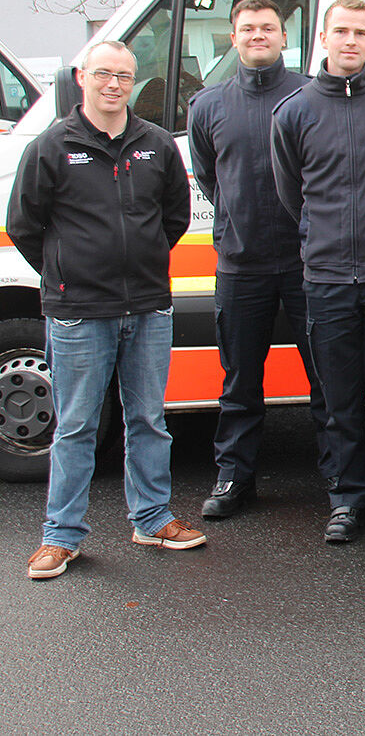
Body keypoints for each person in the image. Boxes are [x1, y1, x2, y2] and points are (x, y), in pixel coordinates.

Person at [11, 39, 201, 580]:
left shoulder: (157, 145)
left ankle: (153, 517)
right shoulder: (51, 147)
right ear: (81, 77)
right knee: (75, 425)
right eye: (104, 74)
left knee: (148, 419)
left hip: (147, 307)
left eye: (123, 75)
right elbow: (26, 225)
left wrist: (138, 265)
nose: (114, 84)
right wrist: (66, 272)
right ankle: (61, 537)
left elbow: (174, 217)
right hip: (78, 312)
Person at [271, 0, 365, 544]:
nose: (351, 41)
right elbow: (293, 195)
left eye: (361, 32)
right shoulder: (294, 112)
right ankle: (345, 498)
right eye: (342, 31)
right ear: (323, 39)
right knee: (338, 400)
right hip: (327, 279)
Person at [188, 0, 327, 520]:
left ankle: (338, 471)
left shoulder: (310, 96)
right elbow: (209, 177)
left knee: (326, 378)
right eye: (247, 28)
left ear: (283, 35)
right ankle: (234, 476)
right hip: (240, 263)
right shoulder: (207, 106)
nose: (258, 36)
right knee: (240, 381)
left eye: (267, 27)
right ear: (233, 36)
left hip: (307, 261)